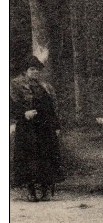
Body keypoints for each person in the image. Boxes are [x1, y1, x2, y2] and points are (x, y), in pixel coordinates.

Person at [10, 55, 63, 201]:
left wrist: (56, 125)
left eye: (37, 70)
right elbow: (11, 106)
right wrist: (24, 113)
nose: (35, 72)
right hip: (28, 128)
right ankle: (31, 191)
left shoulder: (45, 86)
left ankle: (46, 189)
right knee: (29, 158)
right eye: (32, 69)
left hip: (45, 127)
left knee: (46, 157)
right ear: (25, 71)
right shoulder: (15, 85)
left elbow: (53, 107)